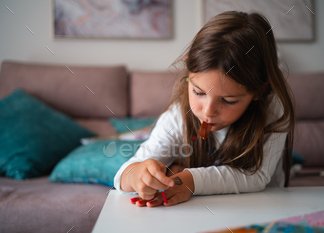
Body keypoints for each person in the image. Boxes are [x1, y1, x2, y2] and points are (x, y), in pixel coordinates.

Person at [114, 10, 295, 207]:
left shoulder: (274, 113)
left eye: (228, 100)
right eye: (199, 92)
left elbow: (256, 177)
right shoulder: (178, 116)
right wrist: (136, 176)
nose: (208, 111)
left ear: (260, 90)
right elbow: (123, 175)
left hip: (266, 208)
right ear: (188, 70)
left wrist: (190, 180)